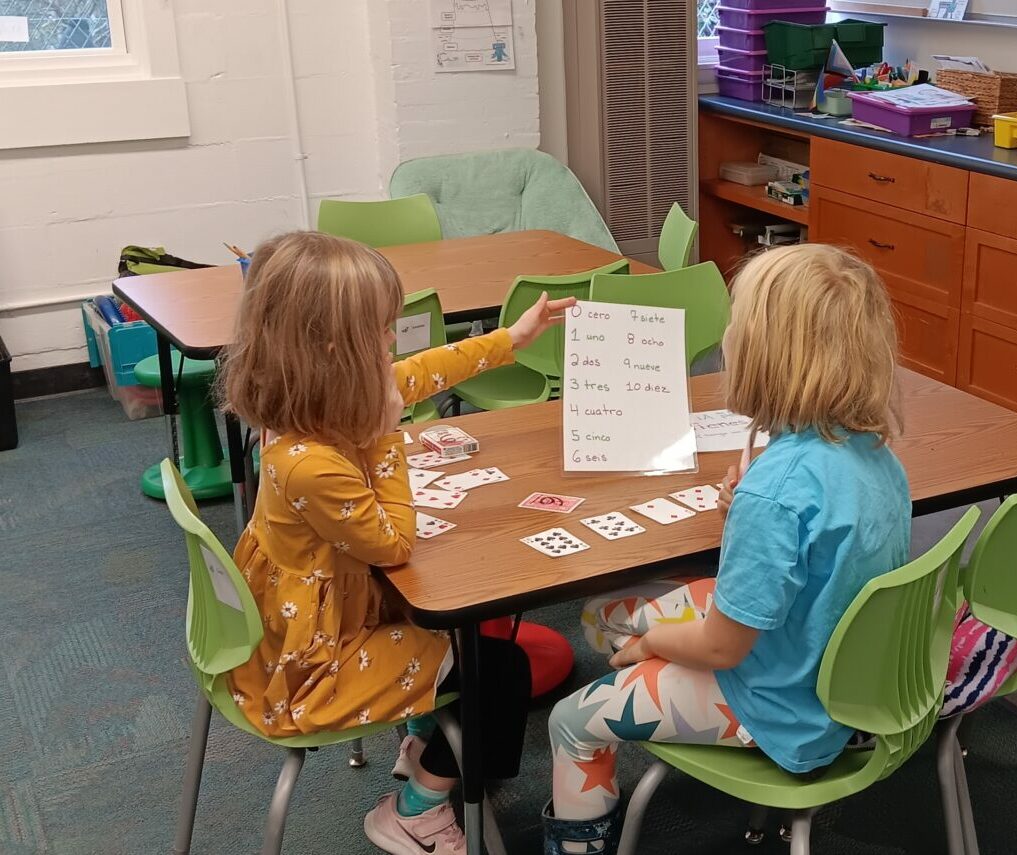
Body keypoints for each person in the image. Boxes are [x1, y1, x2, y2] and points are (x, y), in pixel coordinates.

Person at [542, 244, 911, 854]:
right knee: (604, 620)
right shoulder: (873, 451)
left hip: (777, 706)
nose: (728, 336)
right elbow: (805, 556)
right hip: (839, 680)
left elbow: (721, 645)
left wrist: (654, 645)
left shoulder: (777, 490)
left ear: (769, 356)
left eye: (738, 325)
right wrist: (747, 510)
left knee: (570, 721)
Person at [219, 231, 574, 855]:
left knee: (458, 630)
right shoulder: (308, 462)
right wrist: (389, 433)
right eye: (381, 331)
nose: (392, 342)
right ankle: (417, 807)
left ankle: (421, 740)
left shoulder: (304, 403)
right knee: (501, 672)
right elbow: (393, 544)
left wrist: (510, 340)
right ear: (333, 348)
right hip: (313, 666)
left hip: (322, 616)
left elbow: (417, 372)